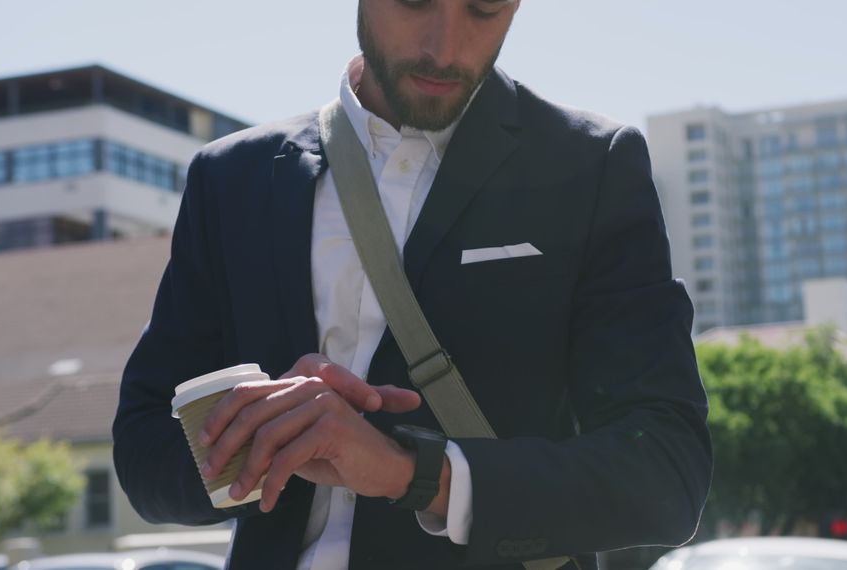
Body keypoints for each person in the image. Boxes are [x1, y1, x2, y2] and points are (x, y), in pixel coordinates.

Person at [112, 1, 713, 569]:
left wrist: (414, 473)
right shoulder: (231, 179)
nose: (445, 47)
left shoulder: (591, 166)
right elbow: (144, 456)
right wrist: (268, 434)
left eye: (483, 9)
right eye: (414, 2)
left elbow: (667, 473)